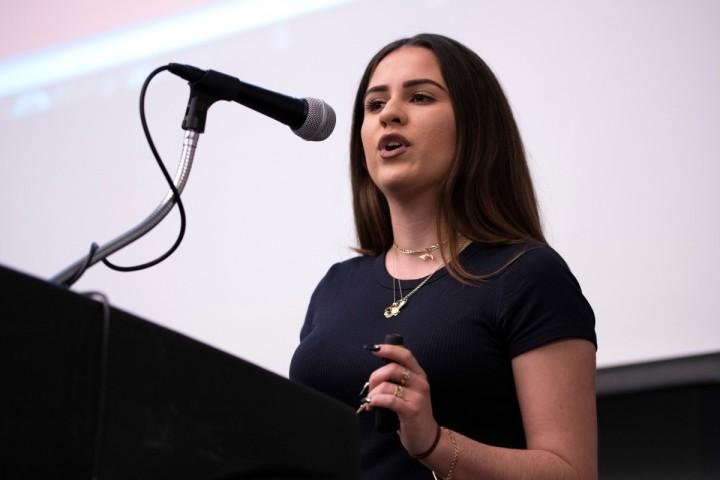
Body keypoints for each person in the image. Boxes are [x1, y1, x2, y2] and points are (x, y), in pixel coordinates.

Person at [289, 33, 597, 480]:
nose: (390, 113)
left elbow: (572, 473)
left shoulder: (526, 275)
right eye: (374, 106)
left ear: (475, 126)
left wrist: (433, 442)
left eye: (419, 97)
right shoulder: (336, 286)